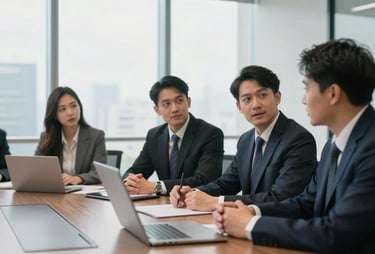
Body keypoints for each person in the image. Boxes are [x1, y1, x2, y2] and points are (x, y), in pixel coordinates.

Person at [213, 38, 375, 253]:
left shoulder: (371, 148)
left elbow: (336, 233)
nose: (303, 100)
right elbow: (306, 203)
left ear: (333, 93)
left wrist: (249, 225)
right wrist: (251, 211)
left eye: (307, 89)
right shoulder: (332, 146)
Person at [170, 65, 317, 211]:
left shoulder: (298, 139)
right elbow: (227, 183)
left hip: (277, 226)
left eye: (262, 95)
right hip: (243, 223)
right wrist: (192, 193)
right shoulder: (246, 140)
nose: (256, 105)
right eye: (247, 99)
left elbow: (281, 197)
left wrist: (217, 202)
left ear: (277, 97)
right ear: (239, 107)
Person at [123, 75, 224, 195]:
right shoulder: (154, 135)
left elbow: (204, 180)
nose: (174, 109)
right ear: (157, 110)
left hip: (197, 206)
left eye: (179, 100)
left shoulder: (210, 134)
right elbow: (136, 170)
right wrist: (128, 182)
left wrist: (157, 187)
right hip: (165, 205)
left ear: (189, 101)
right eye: (166, 104)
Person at [35, 87, 106, 185]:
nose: (70, 112)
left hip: (84, 197)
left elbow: (99, 172)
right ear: (55, 115)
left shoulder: (96, 136)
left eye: (73, 106)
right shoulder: (46, 137)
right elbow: (37, 170)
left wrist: (77, 179)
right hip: (55, 194)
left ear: (79, 106)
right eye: (62, 109)